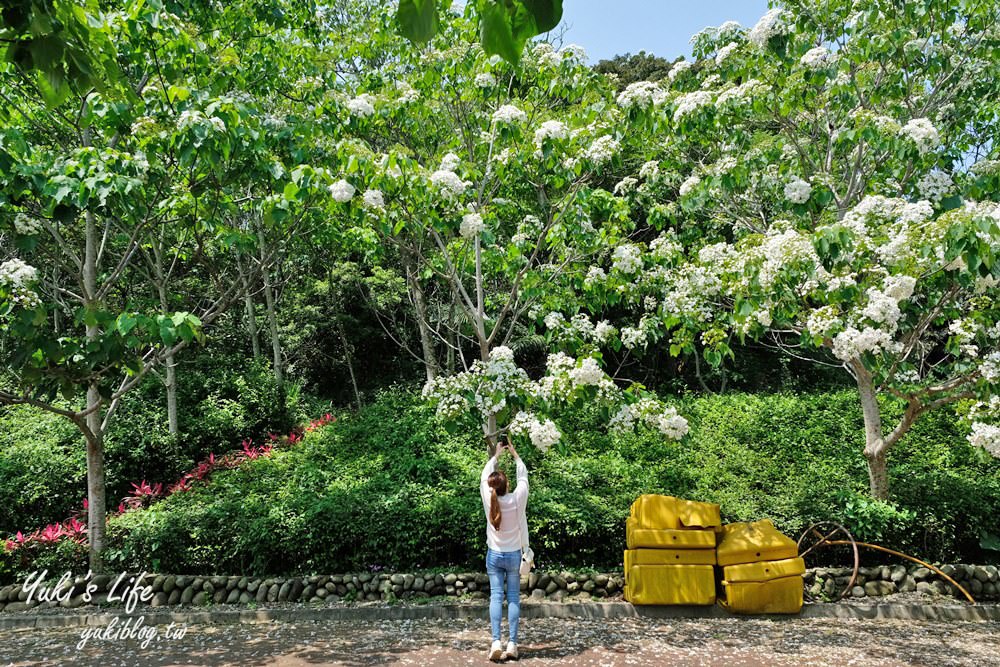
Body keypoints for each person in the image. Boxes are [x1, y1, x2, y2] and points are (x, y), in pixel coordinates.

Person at [480, 439, 528, 662]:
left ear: (491, 487)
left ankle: (496, 642)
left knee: (496, 597)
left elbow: (484, 476)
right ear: (506, 486)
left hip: (494, 555)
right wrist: (516, 456)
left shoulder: (489, 500)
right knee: (513, 599)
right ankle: (513, 645)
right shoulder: (517, 500)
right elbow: (524, 479)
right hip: (514, 556)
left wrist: (496, 456)